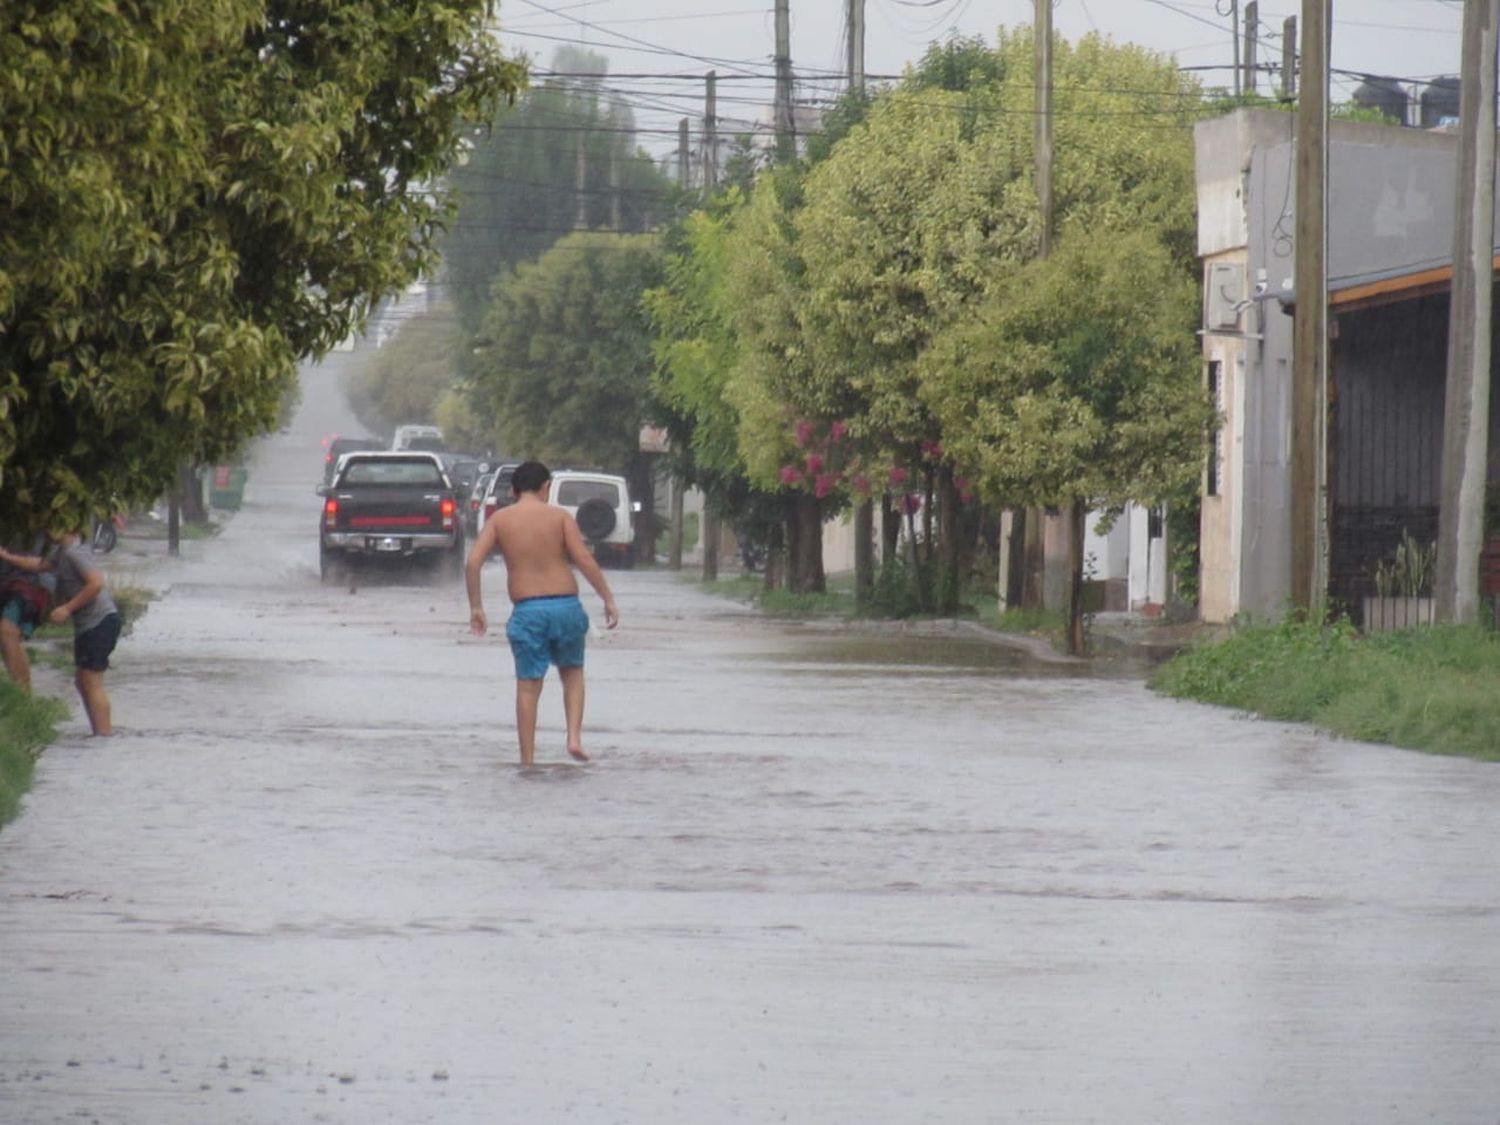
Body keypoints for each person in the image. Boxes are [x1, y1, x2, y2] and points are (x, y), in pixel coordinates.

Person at [465, 460, 619, 765]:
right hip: (566, 606)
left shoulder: (500, 521)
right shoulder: (560, 517)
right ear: (545, 487)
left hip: (528, 610)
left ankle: (528, 760)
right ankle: (573, 738)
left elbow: (472, 563)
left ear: (513, 490)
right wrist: (607, 598)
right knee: (572, 673)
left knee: (528, 686)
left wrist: (477, 607)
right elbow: (584, 560)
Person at [0, 529, 122, 736]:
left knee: (90, 680)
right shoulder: (62, 553)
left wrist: (68, 608)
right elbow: (39, 565)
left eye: (53, 525)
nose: (47, 531)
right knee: (82, 680)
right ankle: (99, 735)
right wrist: (6, 556)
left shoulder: (75, 553)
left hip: (101, 621)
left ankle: (103, 738)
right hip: (90, 624)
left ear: (69, 528)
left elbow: (96, 583)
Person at [0, 535, 54, 693]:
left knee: (7, 630)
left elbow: (45, 562)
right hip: (5, 577)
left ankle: (23, 695)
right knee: (7, 639)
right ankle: (23, 693)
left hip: (32, 580)